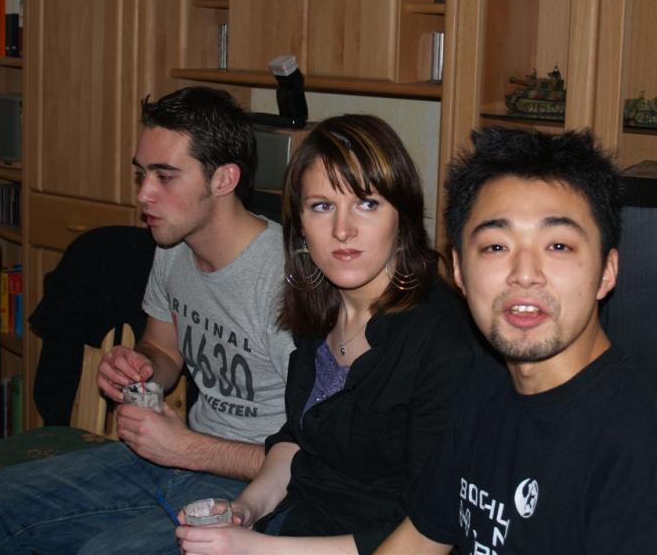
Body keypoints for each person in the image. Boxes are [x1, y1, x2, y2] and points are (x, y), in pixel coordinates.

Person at [376, 128, 657, 554]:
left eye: (558, 245)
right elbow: (420, 538)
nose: (525, 274)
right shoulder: (484, 386)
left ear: (607, 272)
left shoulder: (648, 455)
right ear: (459, 272)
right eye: (496, 246)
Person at [0, 86, 294, 555]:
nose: (143, 195)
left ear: (224, 179)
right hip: (176, 458)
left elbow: (319, 459)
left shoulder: (287, 284)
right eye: (142, 174)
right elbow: (165, 348)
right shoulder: (172, 247)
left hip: (261, 493)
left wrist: (185, 447)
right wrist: (142, 367)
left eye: (165, 176)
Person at [175, 114, 481, 555]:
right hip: (296, 528)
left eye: (367, 204)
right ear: (299, 225)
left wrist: (255, 549)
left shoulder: (442, 339)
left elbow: (430, 530)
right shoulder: (322, 307)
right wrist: (246, 508)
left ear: (403, 218)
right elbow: (299, 441)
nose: (343, 230)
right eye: (322, 206)